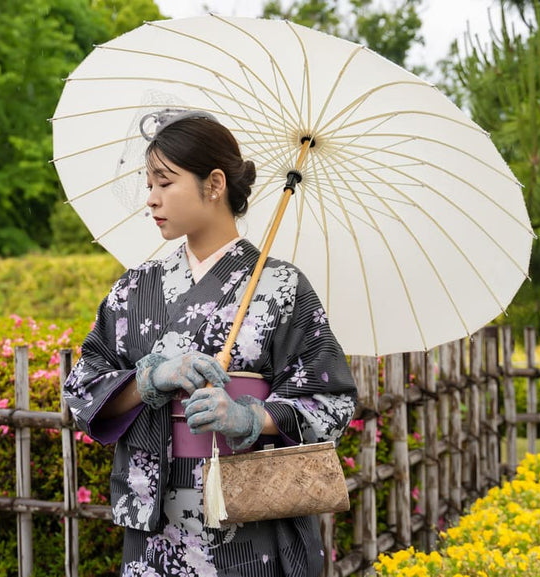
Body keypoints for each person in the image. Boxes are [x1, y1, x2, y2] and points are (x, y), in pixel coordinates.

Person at [62, 110, 358, 577]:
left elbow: (331, 401)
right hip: (155, 529)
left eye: (165, 183)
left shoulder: (281, 287)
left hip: (250, 521)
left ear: (214, 184)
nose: (151, 199)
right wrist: (149, 378)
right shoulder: (134, 289)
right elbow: (81, 390)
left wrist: (249, 417)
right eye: (149, 185)